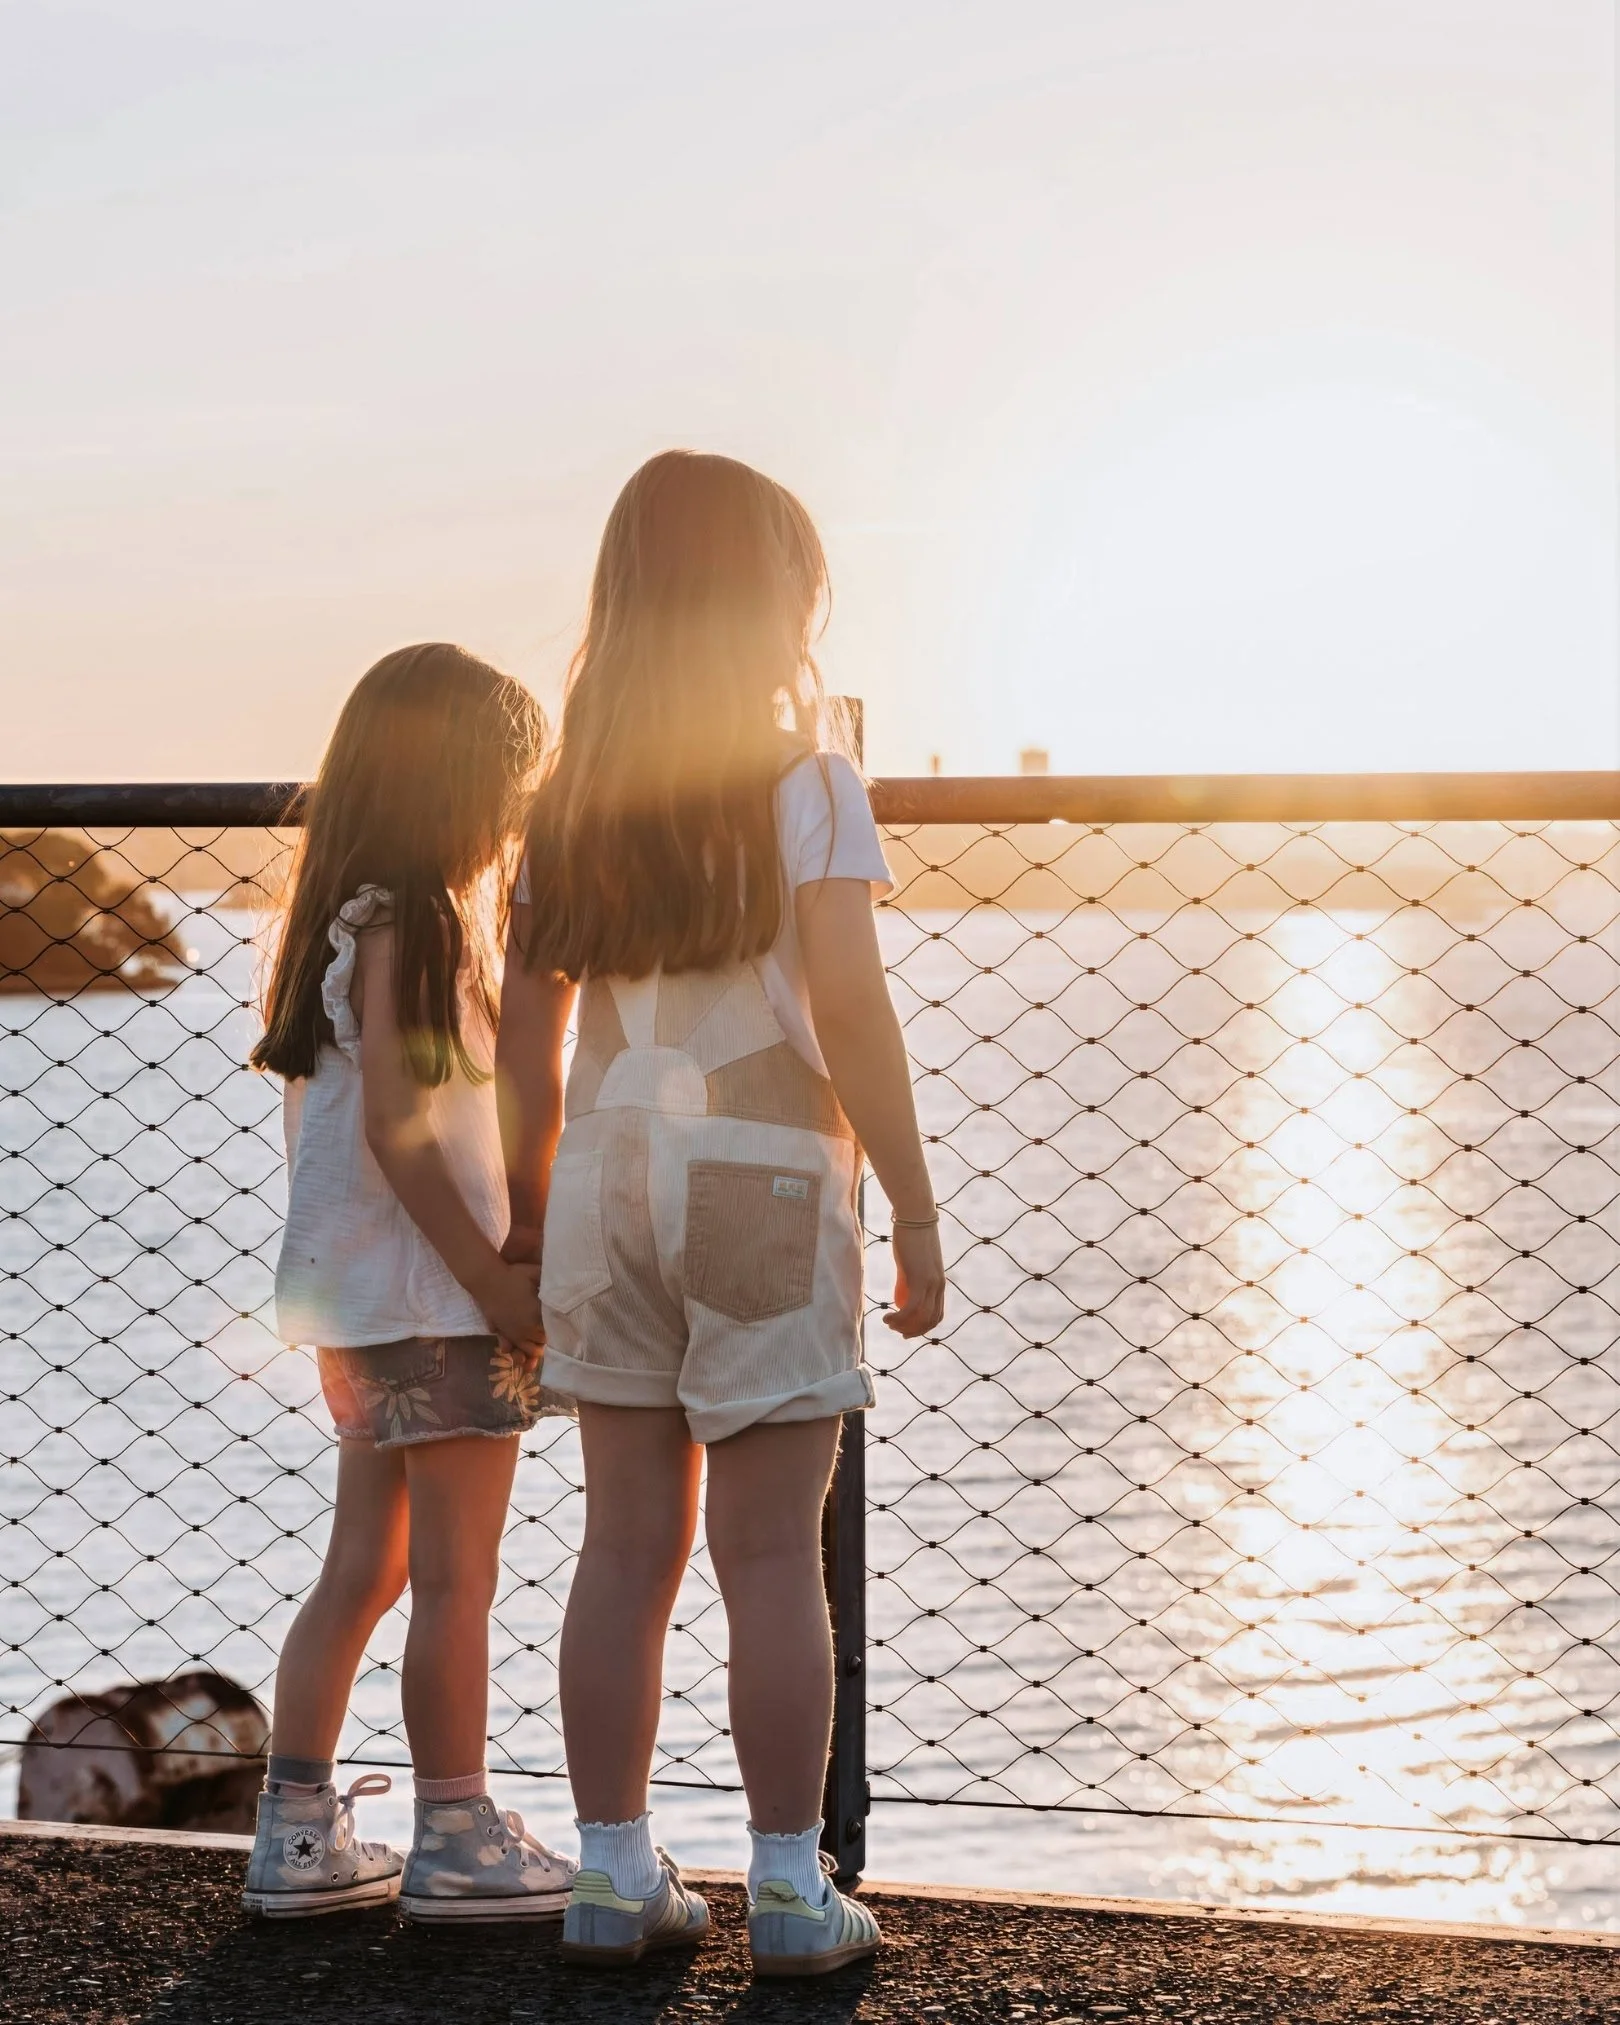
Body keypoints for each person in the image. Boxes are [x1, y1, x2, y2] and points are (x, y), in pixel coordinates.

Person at [498, 452, 947, 1975]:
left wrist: (524, 1208)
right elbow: (852, 1004)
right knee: (769, 1556)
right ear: (771, 608)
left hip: (602, 1180)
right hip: (758, 1170)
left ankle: (613, 1872)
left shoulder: (571, 803)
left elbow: (528, 1029)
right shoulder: (808, 786)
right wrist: (915, 1204)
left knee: (623, 1543)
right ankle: (789, 1888)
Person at [242, 643, 577, 1922]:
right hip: (437, 1296)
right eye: (515, 782)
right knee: (455, 1577)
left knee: (364, 1570)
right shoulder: (420, 920)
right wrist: (496, 1282)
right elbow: (403, 1125)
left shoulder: (350, 912)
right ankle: (454, 1831)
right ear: (463, 785)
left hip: (358, 1301)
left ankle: (296, 1829)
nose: (519, 812)